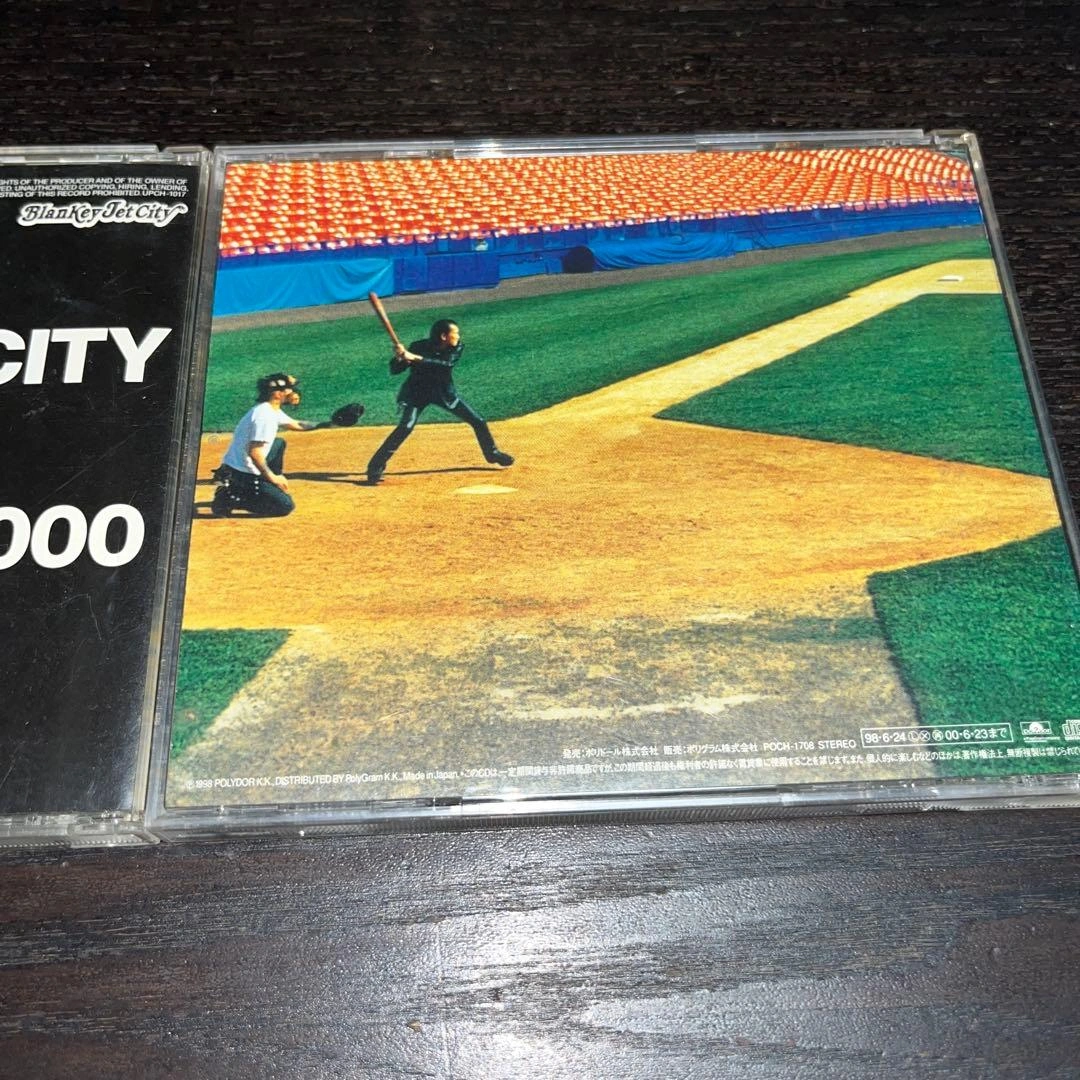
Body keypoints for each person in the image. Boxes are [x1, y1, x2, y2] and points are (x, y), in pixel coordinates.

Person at [366, 318, 513, 484]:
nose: (458, 336)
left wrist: (415, 358)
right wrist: (400, 358)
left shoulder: (457, 347)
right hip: (417, 393)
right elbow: (395, 370)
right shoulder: (418, 346)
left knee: (478, 420)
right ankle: (375, 467)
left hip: (443, 394)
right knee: (405, 427)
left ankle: (492, 454)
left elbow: (445, 365)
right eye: (455, 333)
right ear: (444, 336)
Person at [211, 372, 317, 517]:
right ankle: (230, 497)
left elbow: (297, 424)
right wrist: (273, 478)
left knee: (278, 443)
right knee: (285, 506)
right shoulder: (265, 417)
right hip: (244, 473)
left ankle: (261, 485)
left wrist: (329, 423)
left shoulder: (269, 408)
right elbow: (255, 453)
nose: (292, 393)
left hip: (235, 466)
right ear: (277, 394)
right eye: (288, 389)